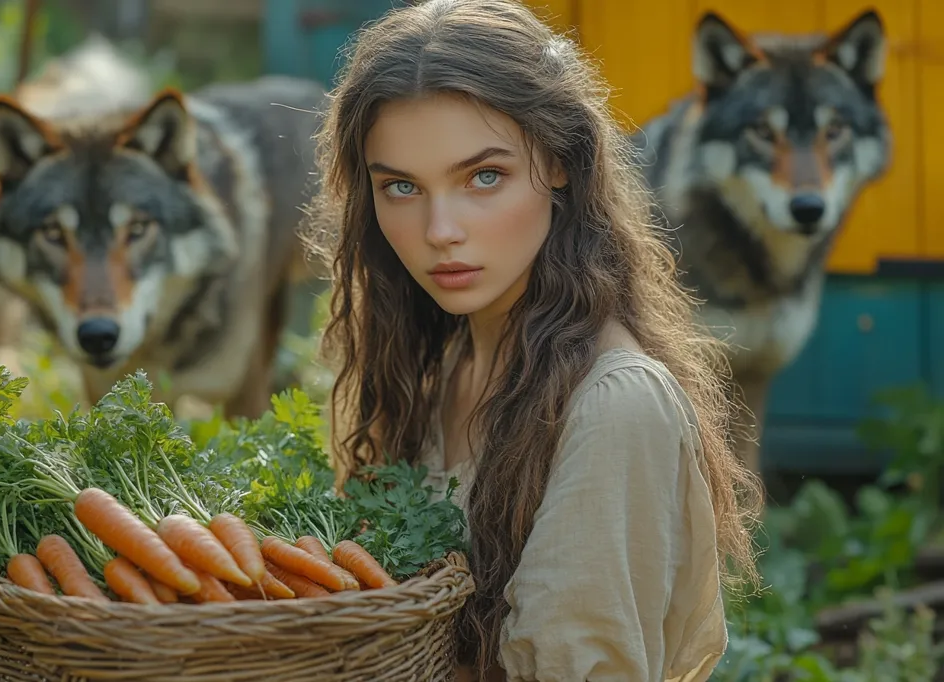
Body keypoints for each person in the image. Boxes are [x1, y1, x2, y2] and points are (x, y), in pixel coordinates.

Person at [304, 0, 763, 679]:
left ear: (558, 164)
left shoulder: (613, 406)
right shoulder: (441, 362)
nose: (440, 231)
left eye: (483, 177)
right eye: (401, 187)